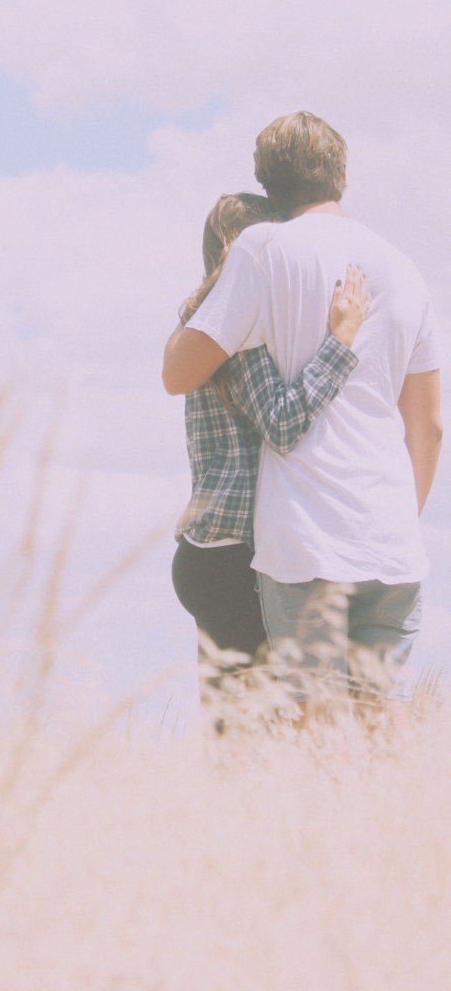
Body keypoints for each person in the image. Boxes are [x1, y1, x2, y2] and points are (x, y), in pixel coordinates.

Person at [163, 112, 443, 727]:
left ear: (267, 185)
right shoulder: (405, 268)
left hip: (302, 540)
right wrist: (397, 516)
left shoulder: (263, 253)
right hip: (389, 537)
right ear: (343, 173)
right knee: (383, 726)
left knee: (297, 732)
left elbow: (179, 374)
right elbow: (429, 427)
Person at [169, 192, 369, 686]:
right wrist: (340, 344)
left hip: (208, 550)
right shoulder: (242, 329)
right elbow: (281, 423)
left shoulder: (202, 326)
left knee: (231, 732)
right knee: (264, 731)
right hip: (239, 555)